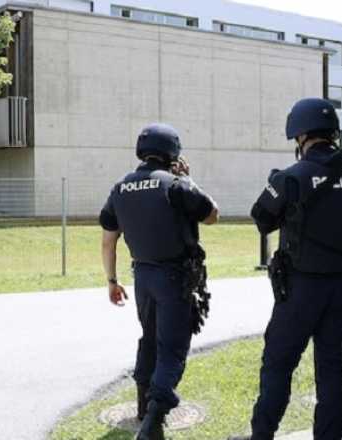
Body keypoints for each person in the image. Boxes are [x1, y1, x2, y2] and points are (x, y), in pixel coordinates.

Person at [235, 98, 342, 440]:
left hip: (299, 291)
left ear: (300, 135)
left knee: (278, 365)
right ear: (332, 132)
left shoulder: (290, 178)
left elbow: (262, 220)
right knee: (333, 370)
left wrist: (278, 188)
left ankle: (262, 434)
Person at [100, 123, 220, 440]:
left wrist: (112, 281)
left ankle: (143, 404)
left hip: (142, 277)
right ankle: (153, 420)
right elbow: (212, 214)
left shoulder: (120, 188)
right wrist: (189, 179)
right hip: (174, 279)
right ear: (173, 153)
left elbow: (108, 241)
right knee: (172, 350)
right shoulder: (175, 185)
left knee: (149, 340)